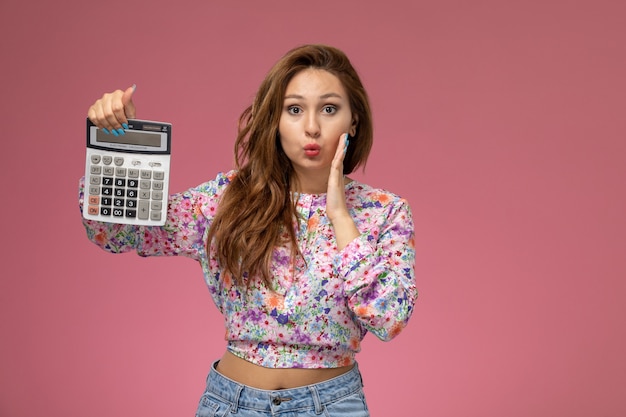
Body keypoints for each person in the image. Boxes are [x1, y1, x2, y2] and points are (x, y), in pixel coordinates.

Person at [80, 44, 417, 417]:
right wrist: (115, 142)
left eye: (329, 108)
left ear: (353, 121)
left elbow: (390, 318)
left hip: (333, 406)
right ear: (274, 120)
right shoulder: (229, 198)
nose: (312, 127)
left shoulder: (384, 212)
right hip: (233, 404)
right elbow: (113, 232)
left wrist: (339, 216)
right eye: (294, 109)